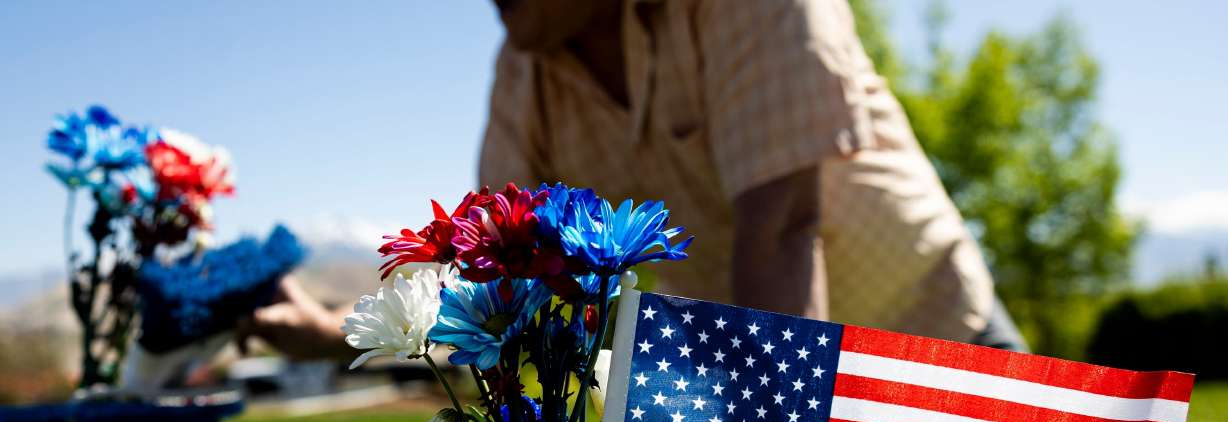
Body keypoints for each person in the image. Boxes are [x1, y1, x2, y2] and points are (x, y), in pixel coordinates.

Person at [243, 0, 1026, 356]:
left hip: (940, 357)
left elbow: (782, 229)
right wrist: (337, 328)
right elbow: (489, 280)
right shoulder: (526, 74)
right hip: (761, 388)